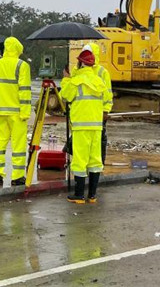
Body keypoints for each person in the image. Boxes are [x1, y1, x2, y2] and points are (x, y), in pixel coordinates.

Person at [60, 48, 112, 204]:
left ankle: (79, 195)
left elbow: (65, 96)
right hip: (96, 127)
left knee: (80, 161)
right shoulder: (99, 81)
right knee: (95, 161)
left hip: (81, 126)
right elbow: (107, 100)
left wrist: (66, 79)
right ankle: (92, 195)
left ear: (81, 63)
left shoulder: (76, 81)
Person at [0, 37, 32, 186]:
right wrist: (25, 112)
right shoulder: (22, 66)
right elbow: (25, 91)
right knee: (18, 145)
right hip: (16, 113)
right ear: (18, 49)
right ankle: (17, 176)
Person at [84, 42, 113, 163]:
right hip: (83, 112)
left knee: (99, 140)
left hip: (97, 112)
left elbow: (107, 93)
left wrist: (105, 110)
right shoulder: (79, 70)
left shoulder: (102, 72)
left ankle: (99, 162)